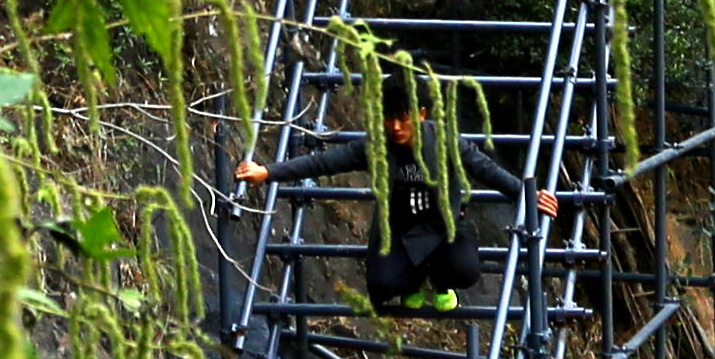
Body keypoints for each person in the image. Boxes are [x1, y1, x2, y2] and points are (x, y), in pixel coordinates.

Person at [238, 98, 558, 312]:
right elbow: (324, 162)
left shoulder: (444, 140)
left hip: (442, 225)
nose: (395, 127)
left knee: (463, 270)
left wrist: (527, 194)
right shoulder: (376, 145)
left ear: (420, 115)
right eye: (390, 119)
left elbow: (485, 168)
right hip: (398, 229)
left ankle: (439, 281)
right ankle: (414, 280)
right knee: (382, 286)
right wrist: (268, 172)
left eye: (403, 119)